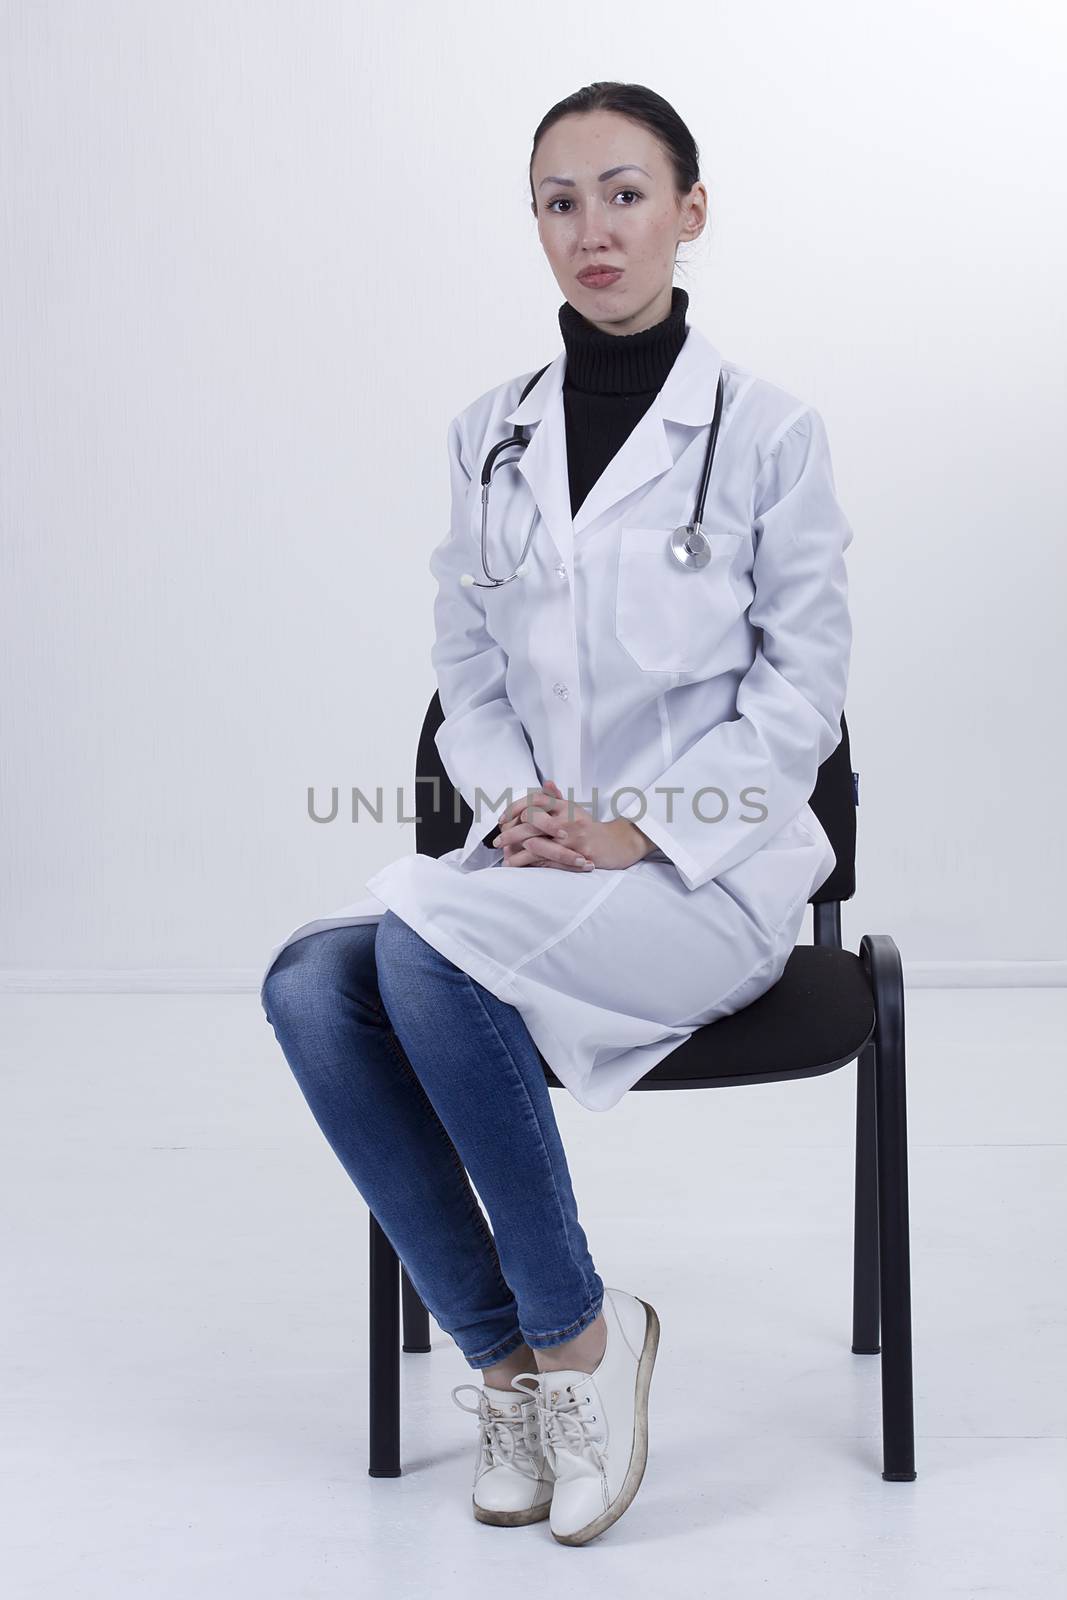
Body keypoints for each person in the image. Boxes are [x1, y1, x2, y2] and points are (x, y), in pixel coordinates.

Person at [261, 80, 853, 1546]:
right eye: (560, 201)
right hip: (531, 870)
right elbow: (464, 665)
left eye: (626, 192)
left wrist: (640, 828)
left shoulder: (769, 432)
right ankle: (512, 1365)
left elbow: (804, 693)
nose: (594, 228)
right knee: (308, 986)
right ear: (535, 224)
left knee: (417, 951)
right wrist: (519, 805)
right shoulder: (490, 436)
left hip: (705, 882)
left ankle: (583, 1338)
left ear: (690, 211)